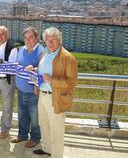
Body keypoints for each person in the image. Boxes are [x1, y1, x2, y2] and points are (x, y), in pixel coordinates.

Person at [32, 27, 78, 157]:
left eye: (53, 40)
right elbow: (42, 71)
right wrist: (34, 69)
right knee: (44, 124)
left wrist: (53, 81)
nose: (50, 43)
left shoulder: (68, 57)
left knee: (56, 130)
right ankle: (47, 149)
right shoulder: (44, 53)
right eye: (47, 40)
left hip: (56, 98)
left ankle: (57, 155)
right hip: (42, 95)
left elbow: (72, 82)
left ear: (59, 40)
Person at [10, 27, 44, 148]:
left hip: (33, 93)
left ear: (36, 38)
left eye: (31, 37)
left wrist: (34, 69)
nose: (28, 40)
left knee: (35, 118)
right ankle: (22, 135)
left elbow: (44, 71)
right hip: (21, 90)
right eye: (26, 38)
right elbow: (17, 65)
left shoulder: (42, 51)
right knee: (22, 115)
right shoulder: (21, 50)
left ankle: (35, 138)